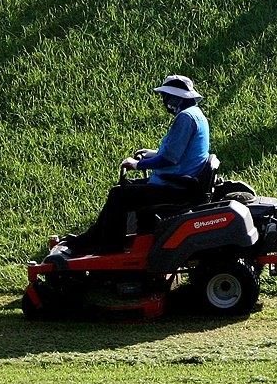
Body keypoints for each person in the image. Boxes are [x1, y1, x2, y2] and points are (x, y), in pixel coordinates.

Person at [47, 76, 212, 259]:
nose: (164, 101)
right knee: (122, 191)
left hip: (174, 188)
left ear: (177, 98)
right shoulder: (196, 114)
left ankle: (109, 249)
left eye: (166, 97)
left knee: (119, 196)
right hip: (179, 182)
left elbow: (170, 159)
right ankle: (91, 239)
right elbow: (179, 151)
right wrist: (151, 154)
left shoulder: (185, 118)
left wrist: (138, 164)